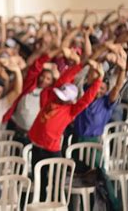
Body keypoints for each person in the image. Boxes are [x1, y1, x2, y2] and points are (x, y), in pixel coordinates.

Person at [28, 52, 103, 201]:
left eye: (63, 98)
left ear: (69, 101)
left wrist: (99, 80)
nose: (59, 98)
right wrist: (82, 65)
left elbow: (87, 99)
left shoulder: (71, 110)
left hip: (52, 150)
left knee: (56, 185)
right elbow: (65, 78)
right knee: (40, 185)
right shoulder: (52, 98)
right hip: (37, 147)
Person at [74, 50, 127, 142]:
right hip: (77, 137)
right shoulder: (88, 94)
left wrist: (122, 70)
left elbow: (117, 87)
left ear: (106, 90)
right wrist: (102, 59)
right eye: (97, 87)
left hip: (94, 140)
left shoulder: (106, 102)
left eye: (102, 88)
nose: (98, 90)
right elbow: (92, 71)